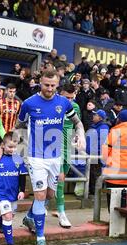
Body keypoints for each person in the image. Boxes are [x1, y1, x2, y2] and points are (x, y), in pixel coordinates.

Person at [0, 70, 86, 245]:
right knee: (41, 196)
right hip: (36, 158)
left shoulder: (64, 102)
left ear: (57, 85)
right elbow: (17, 128)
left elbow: (77, 122)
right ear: (40, 83)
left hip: (55, 157)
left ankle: (29, 217)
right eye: (46, 85)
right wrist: (3, 147)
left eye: (53, 85)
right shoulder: (28, 104)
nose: (49, 89)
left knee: (50, 195)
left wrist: (81, 134)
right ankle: (41, 239)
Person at [52, 83, 82, 228]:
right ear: (60, 94)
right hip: (53, 147)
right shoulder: (52, 104)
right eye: (66, 97)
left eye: (71, 97)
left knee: (55, 182)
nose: (69, 100)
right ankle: (62, 213)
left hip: (68, 148)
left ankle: (41, 207)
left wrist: (78, 137)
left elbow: (78, 125)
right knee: (60, 179)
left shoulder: (75, 107)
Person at [86, 109, 109, 195]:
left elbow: (102, 144)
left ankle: (95, 193)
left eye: (95, 115)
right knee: (91, 174)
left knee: (95, 175)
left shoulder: (103, 127)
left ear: (99, 117)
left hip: (97, 156)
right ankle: (92, 192)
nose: (93, 116)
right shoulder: (93, 126)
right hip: (90, 155)